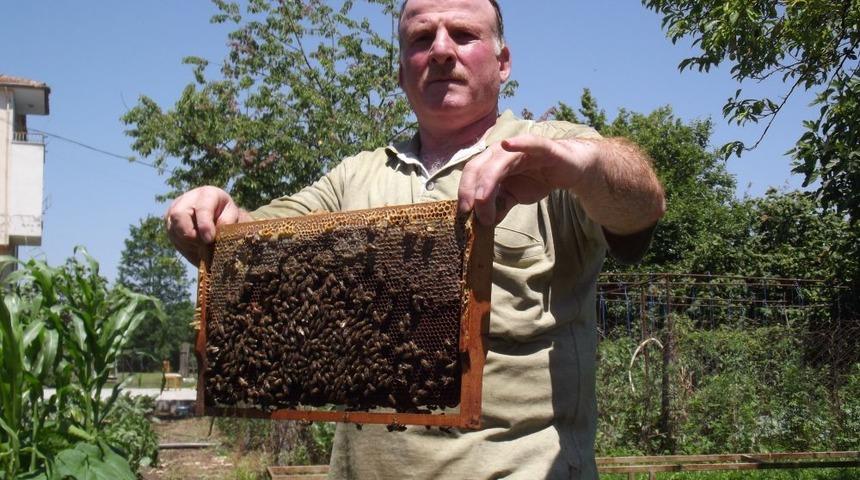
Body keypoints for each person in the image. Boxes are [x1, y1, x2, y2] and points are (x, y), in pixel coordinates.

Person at [166, 0, 665, 478]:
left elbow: (642, 207)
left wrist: (582, 165)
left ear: (503, 61)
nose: (442, 50)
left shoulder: (550, 150)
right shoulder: (353, 176)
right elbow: (248, 243)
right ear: (402, 69)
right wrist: (212, 217)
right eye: (422, 38)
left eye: (464, 35)